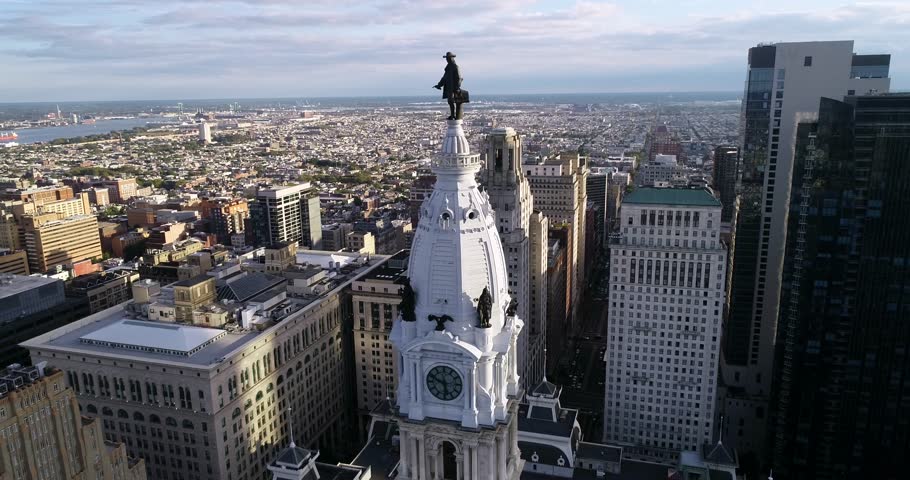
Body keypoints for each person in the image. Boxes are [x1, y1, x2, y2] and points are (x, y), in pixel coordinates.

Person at [434, 52, 463, 120]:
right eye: (447, 58)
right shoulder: (448, 68)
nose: (447, 59)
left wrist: (457, 87)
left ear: (452, 58)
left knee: (453, 101)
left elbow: (459, 78)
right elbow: (444, 78)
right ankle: (452, 115)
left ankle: (454, 115)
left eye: (449, 58)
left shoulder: (455, 67)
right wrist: (439, 85)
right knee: (450, 102)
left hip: (453, 88)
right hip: (449, 88)